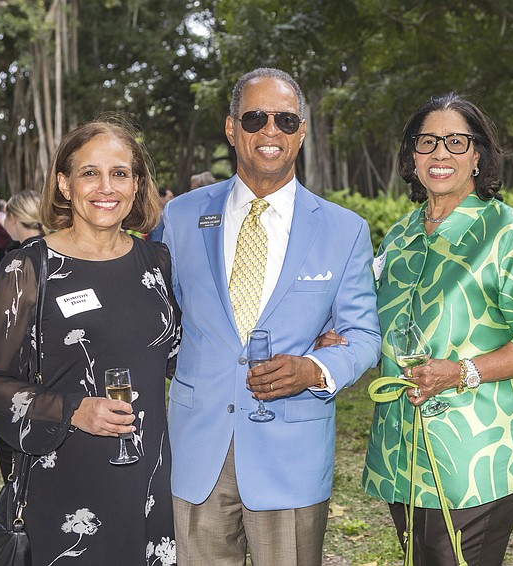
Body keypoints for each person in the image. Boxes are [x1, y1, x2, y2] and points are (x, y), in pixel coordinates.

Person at [162, 67, 381, 566]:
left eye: (285, 120)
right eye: (255, 117)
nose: (270, 130)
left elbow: (364, 334)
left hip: (291, 455)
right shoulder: (182, 216)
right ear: (231, 128)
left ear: (301, 132)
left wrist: (314, 369)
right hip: (197, 449)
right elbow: (160, 315)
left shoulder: (344, 229)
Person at [359, 93, 513, 566]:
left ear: (478, 156)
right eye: (427, 142)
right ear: (412, 156)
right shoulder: (400, 236)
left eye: (456, 141)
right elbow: (380, 322)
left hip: (476, 456)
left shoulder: (510, 232)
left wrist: (460, 372)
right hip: (403, 451)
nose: (440, 153)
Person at [0, 116, 180, 565]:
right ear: (64, 184)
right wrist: (73, 410)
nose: (106, 187)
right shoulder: (28, 268)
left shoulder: (157, 261)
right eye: (89, 173)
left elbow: (178, 355)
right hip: (67, 475)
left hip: (150, 476)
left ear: (137, 185)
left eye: (119, 173)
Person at [0, 189, 47, 483]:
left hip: (25, 370)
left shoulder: (19, 260)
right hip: (56, 368)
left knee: (10, 445)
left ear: (13, 219)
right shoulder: (59, 250)